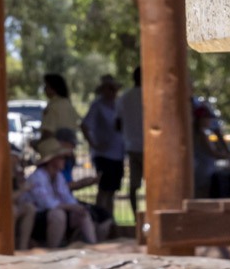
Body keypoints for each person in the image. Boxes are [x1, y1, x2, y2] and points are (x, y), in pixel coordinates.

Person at [21, 136, 96, 249]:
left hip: (53, 216)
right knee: (58, 214)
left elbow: (67, 197)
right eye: (61, 158)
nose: (64, 161)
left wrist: (77, 207)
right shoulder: (37, 177)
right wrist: (71, 207)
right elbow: (47, 204)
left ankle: (93, 245)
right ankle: (53, 250)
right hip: (37, 221)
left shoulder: (58, 176)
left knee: (81, 213)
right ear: (52, 160)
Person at [82, 77, 127, 226]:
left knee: (112, 190)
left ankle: (109, 220)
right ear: (104, 90)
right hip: (103, 155)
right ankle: (99, 218)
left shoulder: (118, 105)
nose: (114, 92)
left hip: (118, 153)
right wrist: (94, 145)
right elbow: (85, 125)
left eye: (115, 89)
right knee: (104, 189)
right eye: (110, 89)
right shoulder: (97, 106)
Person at [118, 68, 145, 218]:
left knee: (134, 185)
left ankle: (136, 217)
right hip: (149, 147)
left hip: (131, 146)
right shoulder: (151, 94)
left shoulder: (124, 98)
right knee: (153, 184)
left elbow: (117, 122)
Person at [40, 72, 80, 145]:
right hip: (69, 149)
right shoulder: (67, 104)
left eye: (46, 86)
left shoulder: (53, 106)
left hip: (55, 150)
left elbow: (48, 131)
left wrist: (38, 143)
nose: (44, 89)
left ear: (53, 88)